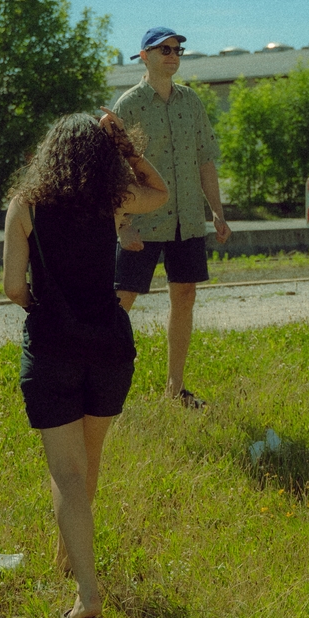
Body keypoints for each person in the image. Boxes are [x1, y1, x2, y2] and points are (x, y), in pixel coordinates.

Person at [3, 111, 168, 618]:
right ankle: (67, 550)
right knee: (88, 464)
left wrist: (41, 307)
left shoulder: (25, 205)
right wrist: (125, 145)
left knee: (67, 474)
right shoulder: (112, 199)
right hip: (110, 346)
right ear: (102, 156)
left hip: (53, 346)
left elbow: (11, 287)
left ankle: (88, 592)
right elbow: (159, 192)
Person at [112, 27, 232, 407]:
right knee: (120, 302)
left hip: (187, 221)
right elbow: (112, 171)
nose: (173, 54)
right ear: (143, 56)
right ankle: (102, 385)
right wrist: (121, 225)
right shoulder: (127, 105)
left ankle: (175, 389)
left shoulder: (190, 102)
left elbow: (204, 160)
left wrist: (217, 211)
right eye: (164, 49)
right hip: (142, 222)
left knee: (185, 296)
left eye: (178, 49)